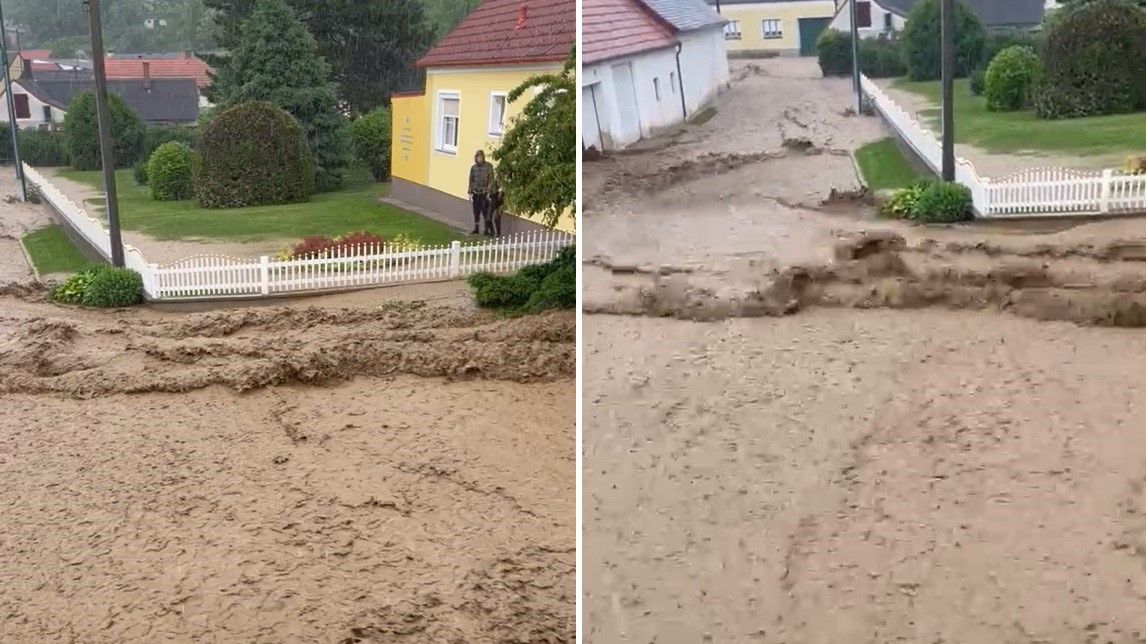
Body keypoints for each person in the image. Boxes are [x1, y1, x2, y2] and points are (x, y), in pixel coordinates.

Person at [467, 150, 494, 235]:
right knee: (476, 212)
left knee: (485, 212)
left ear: (483, 157)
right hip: (475, 193)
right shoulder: (473, 168)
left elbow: (491, 179)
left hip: (484, 193)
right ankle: (476, 228)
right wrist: (470, 191)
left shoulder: (488, 166)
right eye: (478, 157)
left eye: (481, 157)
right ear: (476, 158)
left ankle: (487, 230)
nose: (479, 158)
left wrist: (489, 191)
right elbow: (471, 180)